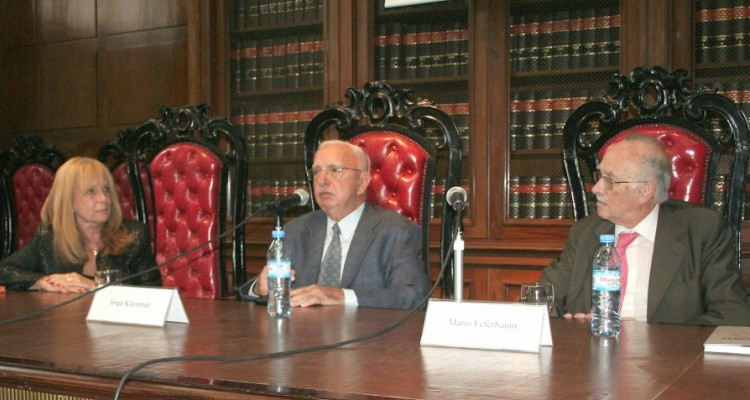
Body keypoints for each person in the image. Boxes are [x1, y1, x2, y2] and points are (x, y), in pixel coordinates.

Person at [542, 134, 750, 326]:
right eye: (599, 176)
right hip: (591, 358)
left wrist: (649, 336)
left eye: (609, 180)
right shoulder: (585, 232)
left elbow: (732, 314)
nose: (596, 188)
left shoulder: (701, 231)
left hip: (668, 362)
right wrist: (568, 328)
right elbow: (542, 299)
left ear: (644, 191)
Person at [240, 140, 432, 309]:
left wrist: (341, 296)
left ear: (362, 182)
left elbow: (414, 296)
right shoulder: (295, 231)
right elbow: (248, 294)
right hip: (300, 340)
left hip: (366, 344)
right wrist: (259, 288)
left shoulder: (397, 233)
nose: (322, 180)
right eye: (316, 172)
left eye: (335, 170)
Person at [0, 157, 160, 292]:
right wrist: (44, 282)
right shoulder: (49, 237)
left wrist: (93, 286)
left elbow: (153, 292)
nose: (104, 199)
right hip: (65, 325)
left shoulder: (134, 235)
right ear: (68, 200)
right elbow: (4, 270)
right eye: (91, 192)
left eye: (106, 189)